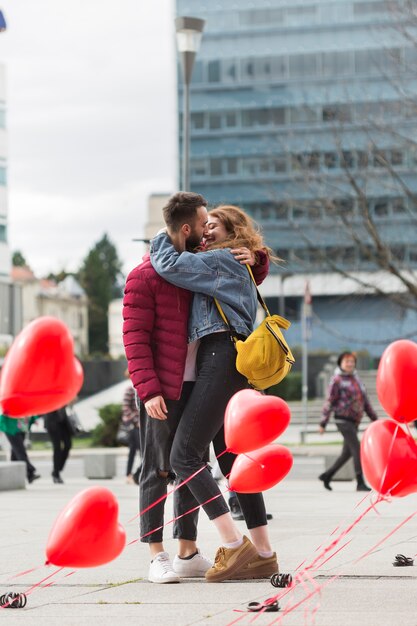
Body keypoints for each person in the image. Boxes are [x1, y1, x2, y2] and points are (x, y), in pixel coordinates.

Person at [123, 192, 269, 584]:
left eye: (212, 226)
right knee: (159, 467)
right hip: (162, 387)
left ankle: (187, 550)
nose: (206, 232)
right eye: (203, 224)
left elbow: (238, 277)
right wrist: (148, 388)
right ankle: (157, 555)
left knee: (191, 463)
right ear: (186, 228)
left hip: (201, 380)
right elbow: (134, 339)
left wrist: (255, 257)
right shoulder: (146, 275)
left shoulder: (193, 267)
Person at [318, 351, 377, 492]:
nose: (350, 364)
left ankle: (328, 475)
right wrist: (323, 423)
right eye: (346, 361)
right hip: (342, 420)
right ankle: (360, 482)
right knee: (357, 449)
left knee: (347, 453)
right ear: (340, 363)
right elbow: (330, 402)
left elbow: (365, 401)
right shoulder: (337, 380)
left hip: (354, 421)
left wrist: (374, 419)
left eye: (352, 361)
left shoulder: (356, 379)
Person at [0, 413, 40, 483]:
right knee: (20, 451)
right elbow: (3, 415)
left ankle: (13, 475)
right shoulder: (10, 403)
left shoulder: (23, 403)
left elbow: (30, 410)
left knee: (15, 453)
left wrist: (34, 419)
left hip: (22, 429)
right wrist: (1, 428)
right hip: (11, 430)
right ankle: (30, 471)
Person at [43, 405, 73, 484]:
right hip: (52, 421)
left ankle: (58, 468)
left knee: (68, 445)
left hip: (63, 422)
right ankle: (56, 473)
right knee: (57, 448)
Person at [122, 371, 141, 485]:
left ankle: (131, 475)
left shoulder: (137, 388)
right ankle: (130, 475)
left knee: (135, 451)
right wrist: (137, 421)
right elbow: (125, 409)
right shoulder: (130, 389)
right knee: (134, 451)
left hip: (138, 426)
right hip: (134, 427)